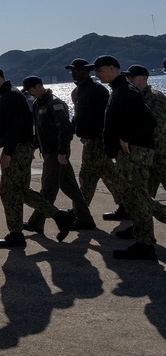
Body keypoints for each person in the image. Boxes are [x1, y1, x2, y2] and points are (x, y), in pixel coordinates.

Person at [0, 67, 74, 248]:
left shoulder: (11, 97)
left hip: (17, 149)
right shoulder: (12, 95)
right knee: (20, 190)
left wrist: (8, 152)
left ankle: (17, 233)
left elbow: (15, 127)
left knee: (8, 191)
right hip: (21, 148)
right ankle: (60, 217)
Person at [93, 55, 166, 260]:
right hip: (133, 153)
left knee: (138, 196)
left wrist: (127, 137)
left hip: (138, 153)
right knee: (135, 196)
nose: (97, 74)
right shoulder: (120, 89)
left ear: (111, 68)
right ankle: (141, 237)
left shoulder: (126, 91)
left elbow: (149, 122)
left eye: (99, 70)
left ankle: (144, 243)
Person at [21, 76, 95, 233]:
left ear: (39, 86)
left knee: (48, 189)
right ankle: (85, 219)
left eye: (31, 90)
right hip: (50, 152)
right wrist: (34, 145)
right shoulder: (38, 104)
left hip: (56, 153)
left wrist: (62, 151)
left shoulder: (54, 103)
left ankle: (36, 222)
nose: (30, 93)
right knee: (72, 189)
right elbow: (41, 131)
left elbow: (65, 128)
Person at [66, 58, 124, 220]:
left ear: (86, 71)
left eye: (76, 70)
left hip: (98, 139)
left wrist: (109, 139)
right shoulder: (76, 92)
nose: (73, 73)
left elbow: (109, 117)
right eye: (72, 71)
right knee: (108, 174)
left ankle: (80, 211)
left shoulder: (98, 91)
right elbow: (77, 115)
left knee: (87, 175)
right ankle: (126, 205)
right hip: (87, 139)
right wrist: (70, 131)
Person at [122, 65, 166, 202]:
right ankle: (140, 223)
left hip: (160, 154)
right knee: (143, 195)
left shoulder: (154, 96)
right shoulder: (137, 96)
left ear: (144, 78)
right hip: (149, 155)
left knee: (144, 195)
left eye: (132, 77)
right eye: (127, 77)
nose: (129, 79)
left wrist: (143, 145)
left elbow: (159, 126)